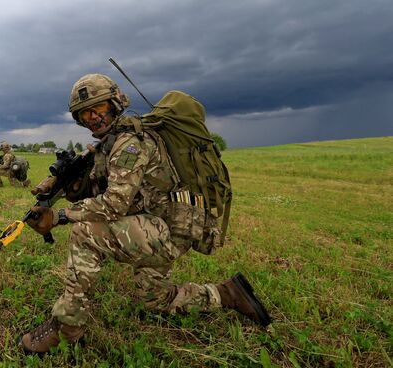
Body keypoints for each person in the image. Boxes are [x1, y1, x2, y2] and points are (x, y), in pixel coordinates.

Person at [19, 74, 271, 353]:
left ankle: (66, 329)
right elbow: (111, 190)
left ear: (115, 104)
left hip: (163, 231)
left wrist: (61, 216)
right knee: (156, 300)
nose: (93, 118)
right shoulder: (112, 142)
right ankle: (227, 295)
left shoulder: (130, 143)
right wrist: (78, 188)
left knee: (84, 233)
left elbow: (114, 204)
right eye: (85, 113)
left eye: (99, 109)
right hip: (163, 227)